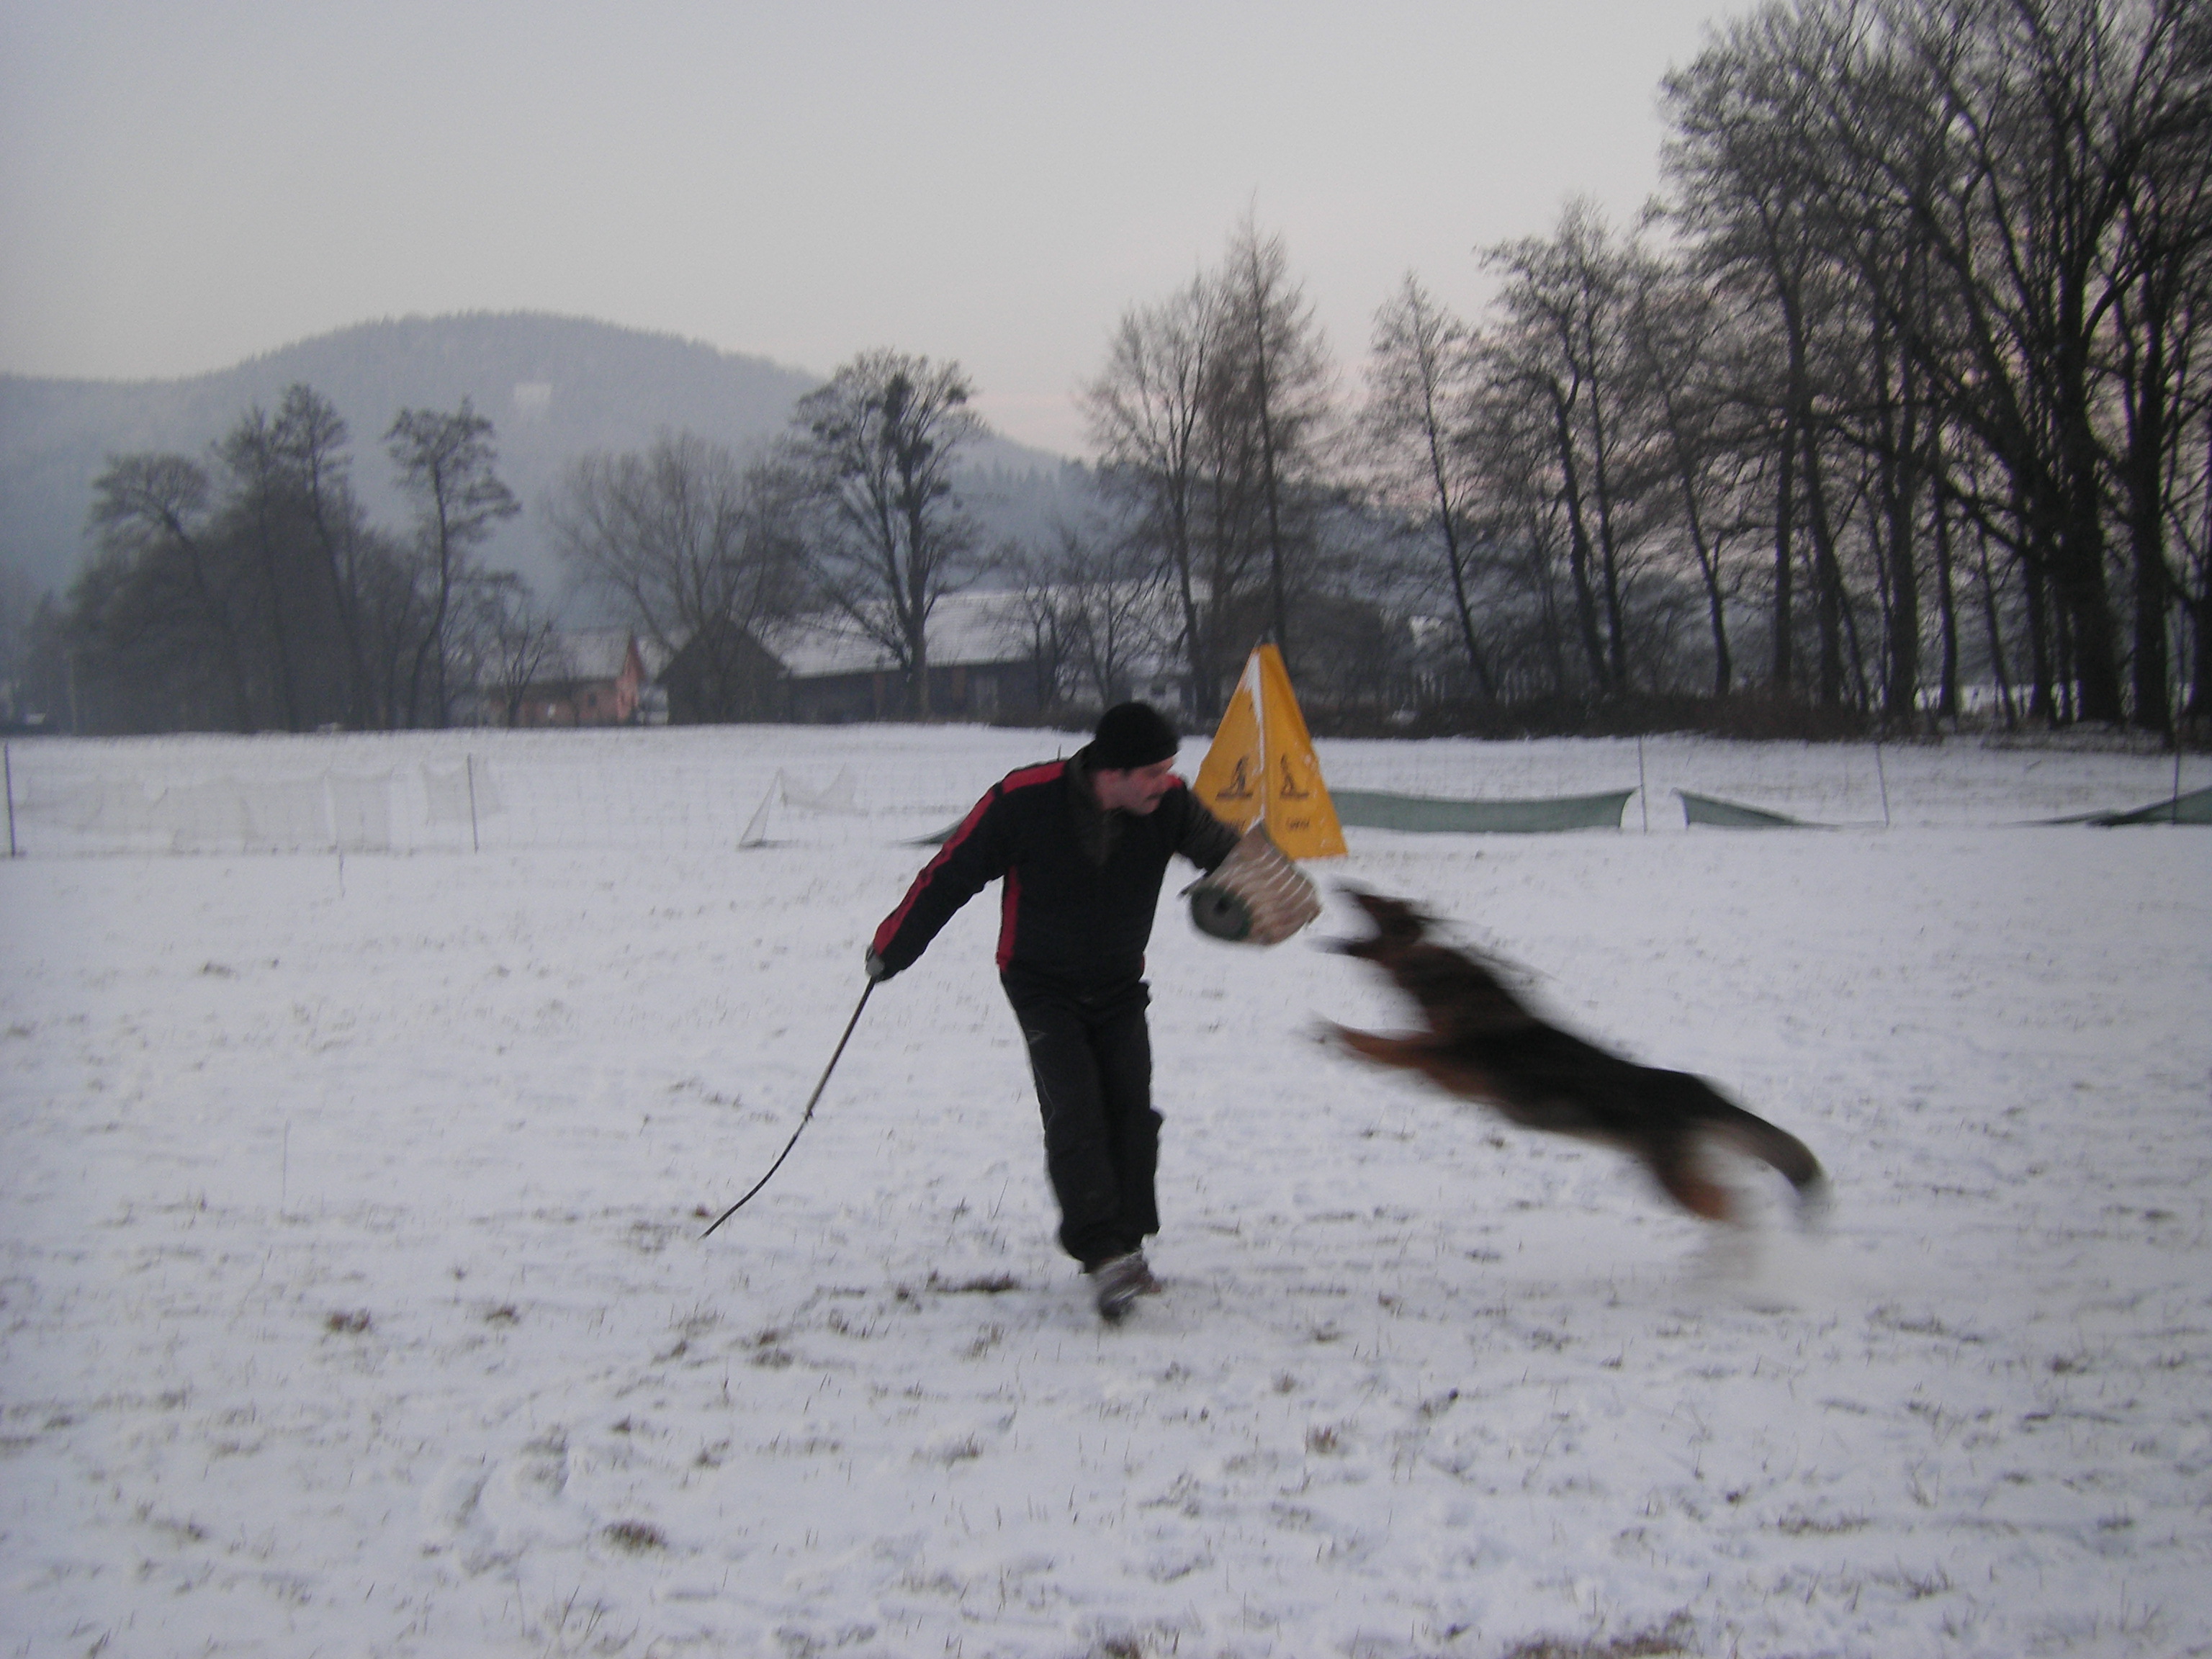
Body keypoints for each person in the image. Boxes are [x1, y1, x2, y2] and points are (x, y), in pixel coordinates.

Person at [866, 701, 1240, 1322]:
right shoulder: (1023, 799)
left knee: (1131, 1107)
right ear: (1110, 771)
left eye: (1169, 769)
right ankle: (1102, 1255)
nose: (1165, 781)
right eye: (1151, 772)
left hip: (1119, 982)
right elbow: (950, 873)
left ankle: (1127, 1242)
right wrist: (892, 947)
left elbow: (1230, 857)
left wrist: (1273, 888)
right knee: (1076, 1107)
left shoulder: (1170, 803)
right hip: (1040, 982)